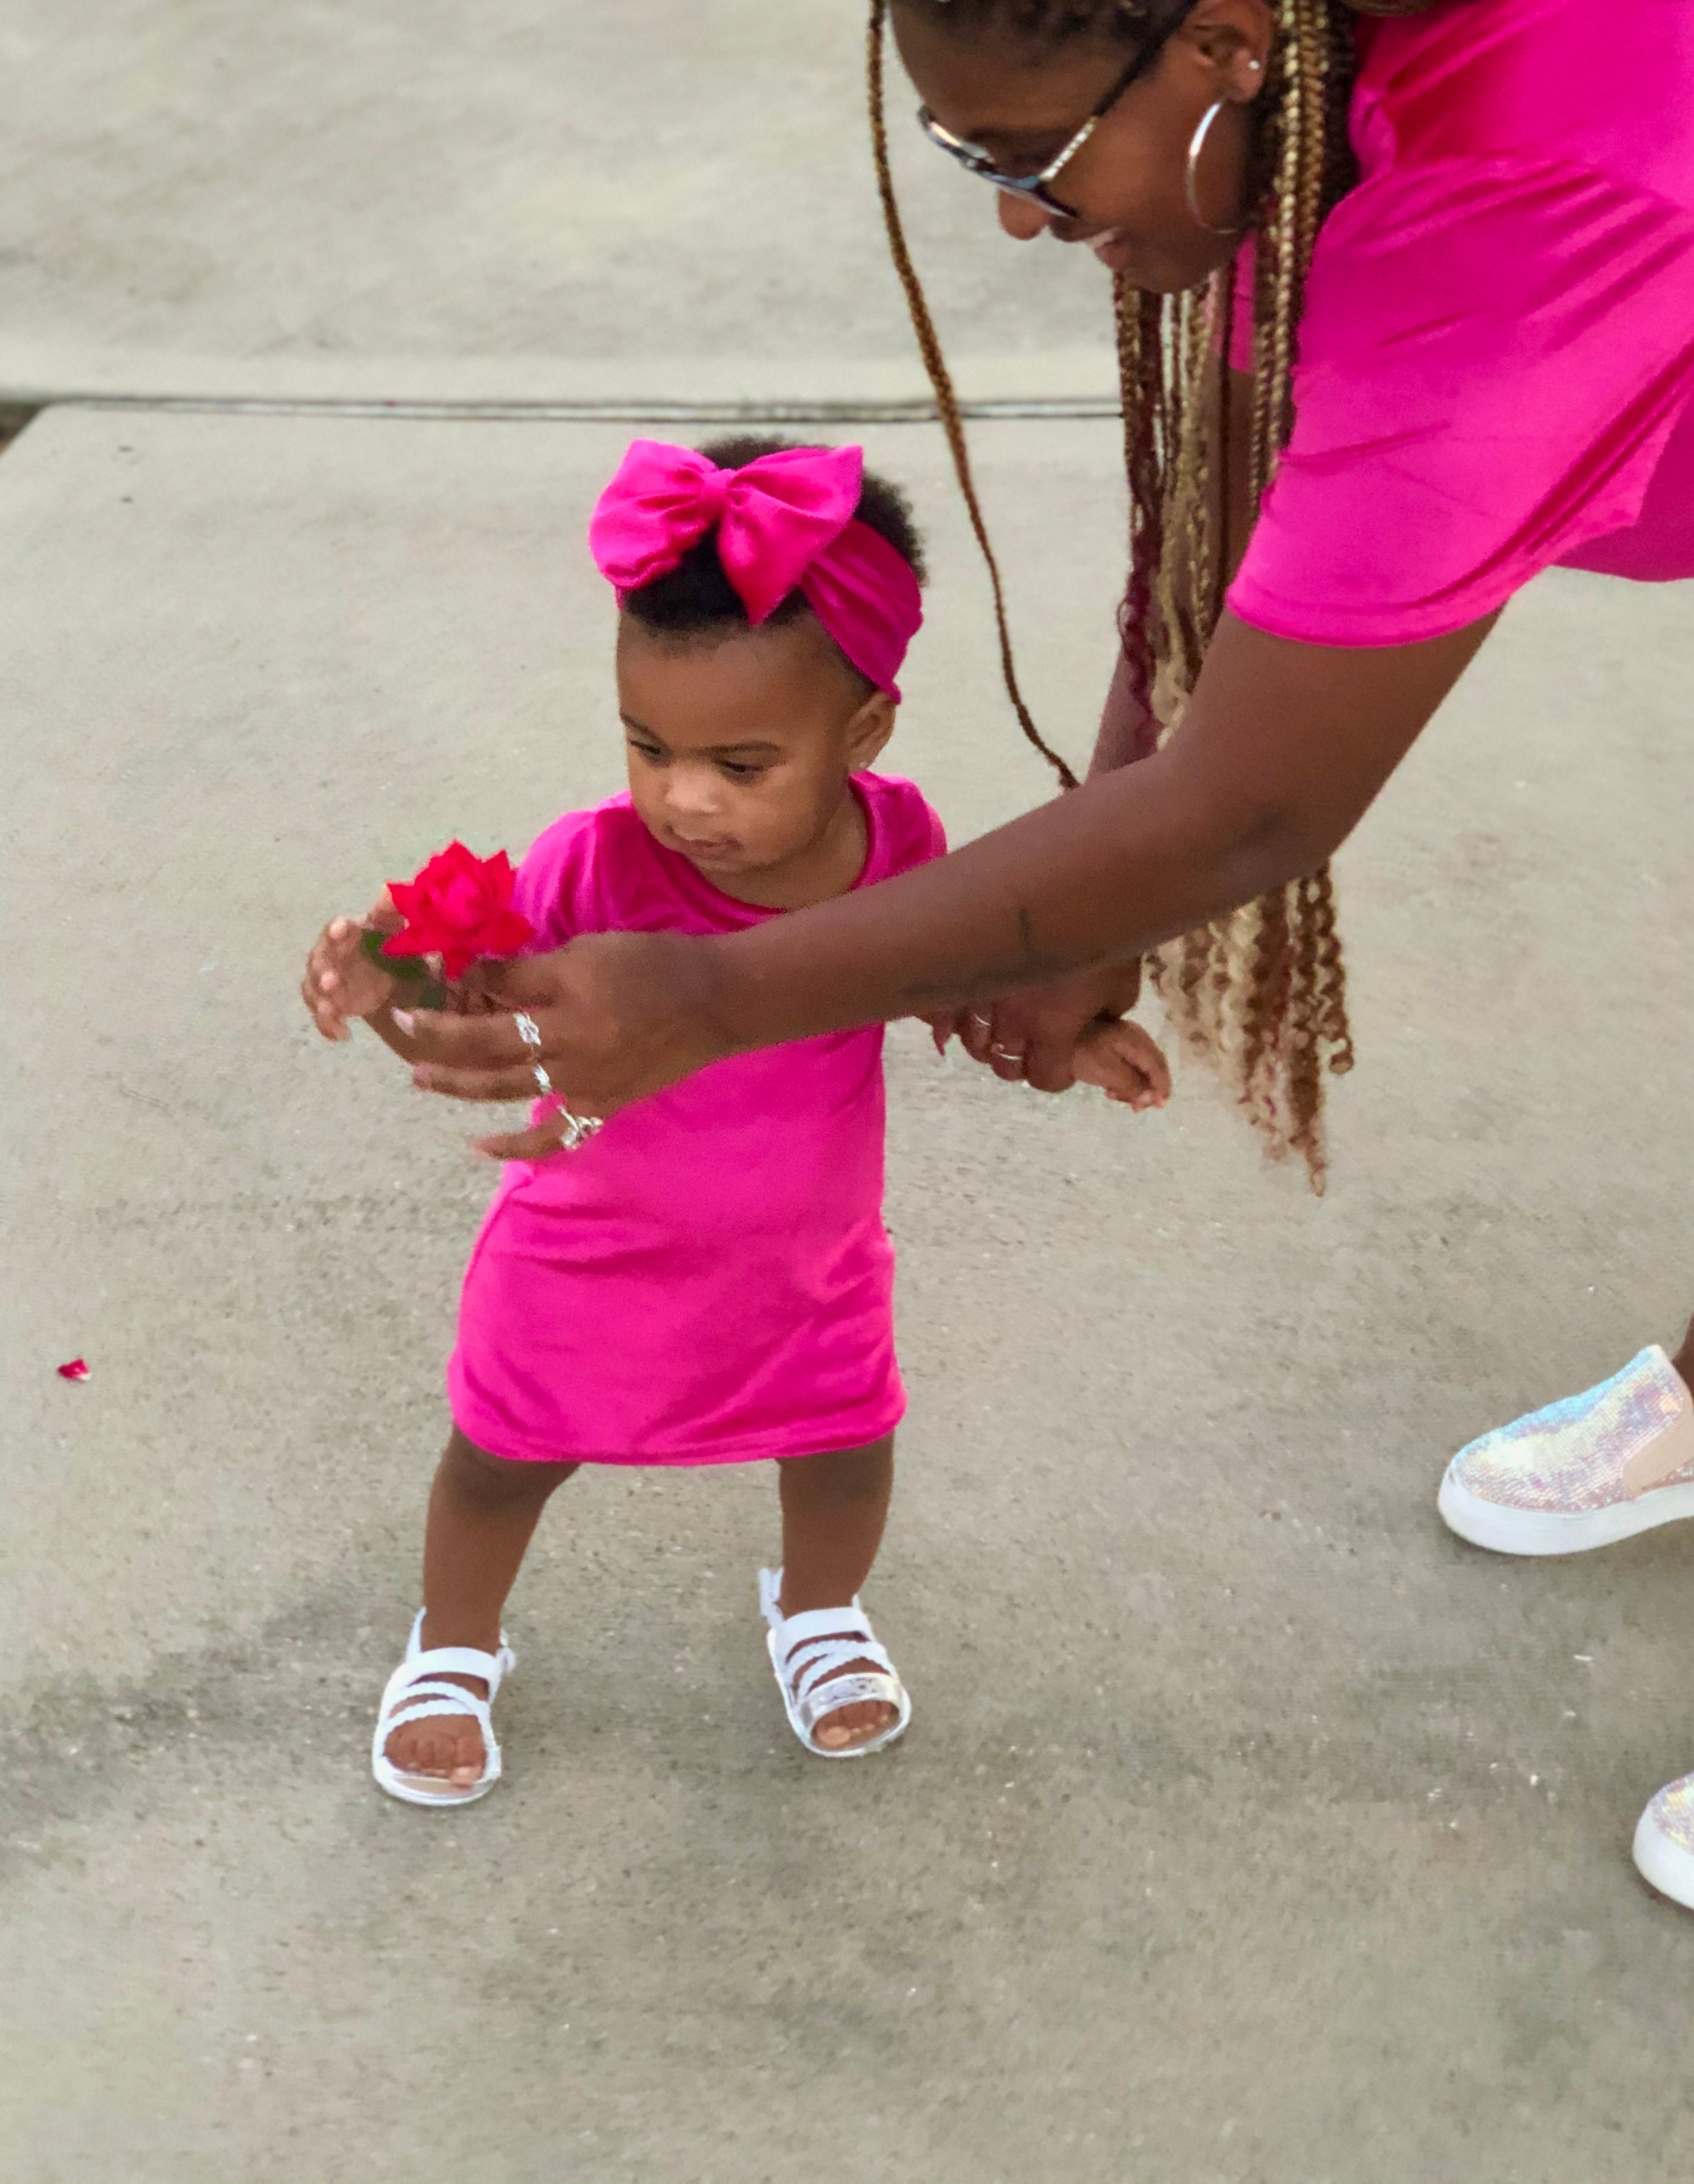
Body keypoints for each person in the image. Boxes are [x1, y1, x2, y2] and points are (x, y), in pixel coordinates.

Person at [396, 0, 1694, 1926]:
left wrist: (729, 991)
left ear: (1223, 46)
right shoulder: (1307, 78)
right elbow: (1252, 530)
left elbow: (1268, 790)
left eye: (1027, 159)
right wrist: (1078, 901)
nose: (1015, 213)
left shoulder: (1527, 184)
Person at [300, 432, 1169, 1805]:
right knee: (500, 1461)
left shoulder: (899, 849)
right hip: (590, 1257)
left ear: (865, 731)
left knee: (844, 1450)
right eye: (649, 747)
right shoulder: (596, 860)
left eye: (741, 764)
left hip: (801, 1263)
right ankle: (454, 1643)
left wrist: (1063, 1037)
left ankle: (816, 1612)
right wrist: (383, 955)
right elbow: (469, 932)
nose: (683, 798)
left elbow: (945, 984)